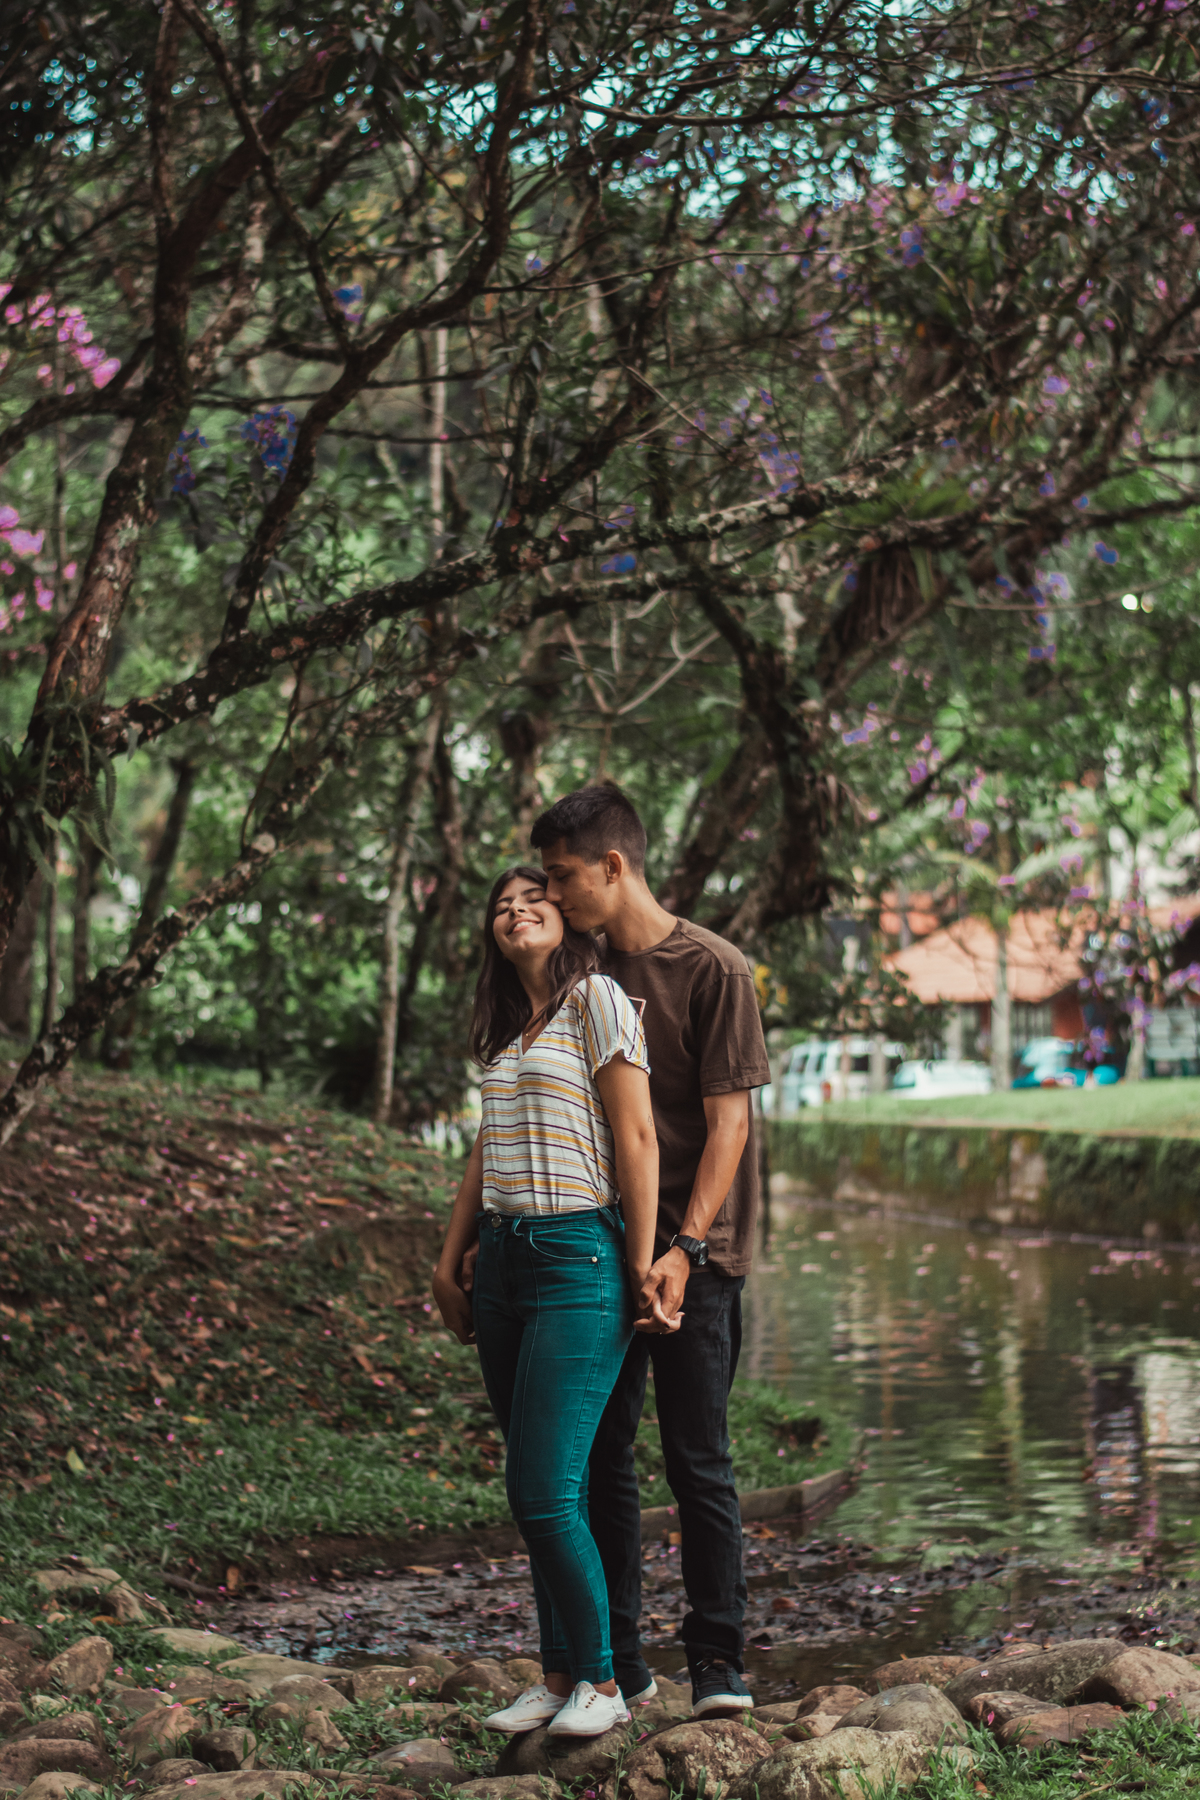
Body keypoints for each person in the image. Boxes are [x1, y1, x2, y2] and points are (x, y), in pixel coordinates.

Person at [530, 786, 771, 1719]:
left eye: (562, 877)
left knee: (699, 1461)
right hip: (598, 1252)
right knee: (599, 1458)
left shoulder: (714, 969)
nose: (552, 896)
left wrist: (682, 1248)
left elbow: (727, 1128)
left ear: (613, 867)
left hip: (696, 1260)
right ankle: (619, 1664)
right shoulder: (574, 969)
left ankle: (719, 1664)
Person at [432, 864, 670, 1739]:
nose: (515, 911)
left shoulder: (598, 1000)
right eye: (500, 905)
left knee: (544, 1492)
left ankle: (604, 1685)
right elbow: (483, 1150)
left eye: (532, 898)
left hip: (581, 1259)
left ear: (564, 918)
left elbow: (637, 1135)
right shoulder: (504, 1030)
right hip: (501, 1265)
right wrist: (448, 1258)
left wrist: (640, 1261)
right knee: (537, 1485)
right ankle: (560, 1669)